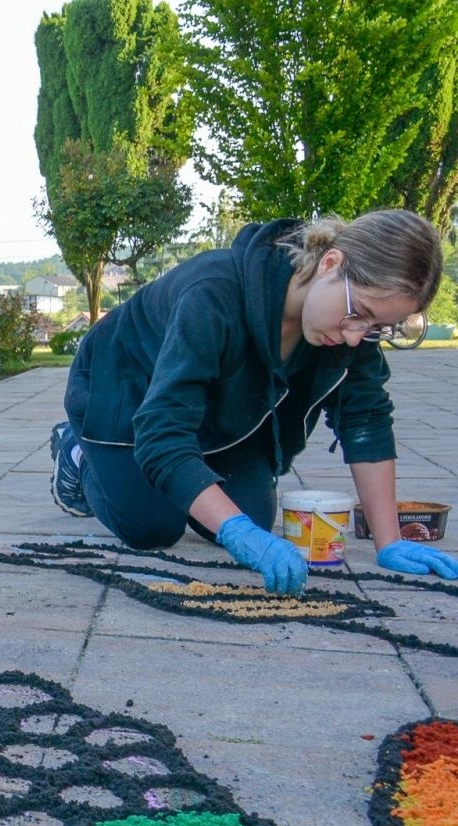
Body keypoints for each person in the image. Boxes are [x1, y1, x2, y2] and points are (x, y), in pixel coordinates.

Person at [51, 208, 458, 591]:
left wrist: (388, 540)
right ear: (331, 264)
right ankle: (77, 455)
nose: (356, 336)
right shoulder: (213, 297)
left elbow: (365, 419)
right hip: (123, 392)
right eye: (359, 314)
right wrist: (235, 529)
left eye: (376, 327)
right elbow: (163, 433)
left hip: (218, 410)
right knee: (152, 526)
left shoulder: (351, 327)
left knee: (252, 519)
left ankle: (199, 468)